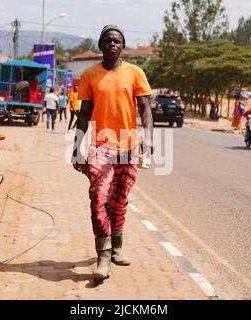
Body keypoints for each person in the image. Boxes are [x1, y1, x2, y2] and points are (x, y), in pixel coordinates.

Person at [72, 25, 153, 283]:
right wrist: (76, 148)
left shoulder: (135, 73)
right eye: (107, 40)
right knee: (98, 197)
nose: (112, 44)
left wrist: (147, 139)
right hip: (101, 146)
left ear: (123, 46)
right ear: (100, 45)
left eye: (116, 41)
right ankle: (103, 256)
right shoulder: (89, 75)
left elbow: (145, 109)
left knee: (119, 198)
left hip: (128, 146)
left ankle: (117, 246)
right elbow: (83, 114)